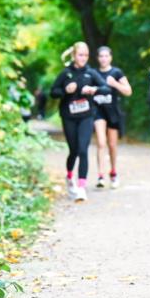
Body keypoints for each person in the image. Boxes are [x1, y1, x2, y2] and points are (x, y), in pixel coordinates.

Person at [50, 42, 111, 202]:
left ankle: (81, 187)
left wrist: (94, 89)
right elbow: (53, 92)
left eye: (85, 55)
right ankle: (70, 176)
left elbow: (106, 88)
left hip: (86, 115)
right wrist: (65, 91)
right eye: (80, 55)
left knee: (83, 149)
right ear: (74, 56)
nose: (83, 58)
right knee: (74, 150)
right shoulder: (66, 73)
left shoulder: (90, 74)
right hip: (69, 117)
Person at [92, 46, 132, 189]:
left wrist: (114, 83)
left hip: (113, 112)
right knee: (101, 143)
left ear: (110, 57)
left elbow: (128, 91)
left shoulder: (116, 72)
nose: (103, 59)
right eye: (101, 56)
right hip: (98, 111)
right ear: (97, 58)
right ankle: (100, 175)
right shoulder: (94, 73)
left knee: (112, 145)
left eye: (106, 56)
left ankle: (113, 172)